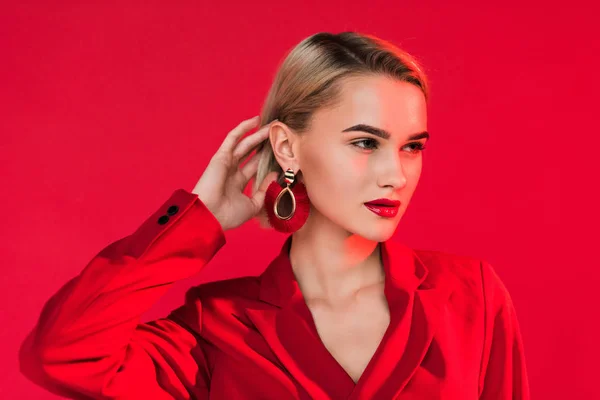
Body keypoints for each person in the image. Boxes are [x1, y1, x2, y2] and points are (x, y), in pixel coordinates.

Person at [19, 31, 530, 399]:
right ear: (288, 147)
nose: (394, 174)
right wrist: (200, 220)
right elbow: (62, 354)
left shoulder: (470, 298)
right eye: (364, 142)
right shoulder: (217, 329)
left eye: (411, 146)